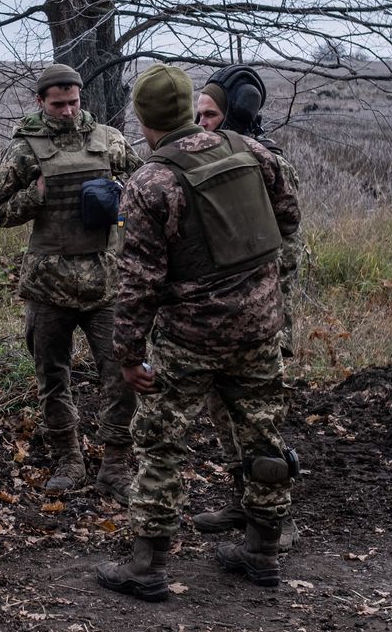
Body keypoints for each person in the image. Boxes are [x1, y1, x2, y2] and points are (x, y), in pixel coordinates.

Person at [96, 63, 301, 601]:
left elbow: (138, 282)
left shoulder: (149, 182)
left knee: (162, 444)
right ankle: (262, 554)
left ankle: (147, 567)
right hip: (259, 329)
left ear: (142, 118)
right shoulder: (251, 152)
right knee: (263, 437)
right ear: (191, 107)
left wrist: (128, 354)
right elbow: (287, 220)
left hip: (189, 338)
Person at [0, 64, 142, 501]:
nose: (68, 111)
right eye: (58, 104)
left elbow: (148, 186)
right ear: (40, 103)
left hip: (106, 283)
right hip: (49, 284)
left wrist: (120, 192)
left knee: (121, 374)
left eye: (74, 102)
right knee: (52, 375)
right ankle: (68, 458)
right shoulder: (24, 149)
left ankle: (114, 463)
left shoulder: (108, 140)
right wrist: (36, 196)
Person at [189, 66, 304, 549]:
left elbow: (289, 248)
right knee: (223, 414)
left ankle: (278, 523)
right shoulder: (210, 158)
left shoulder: (266, 162)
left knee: (260, 423)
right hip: (216, 318)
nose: (200, 123)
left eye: (210, 115)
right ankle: (242, 502)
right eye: (196, 113)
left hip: (257, 320)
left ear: (236, 114)